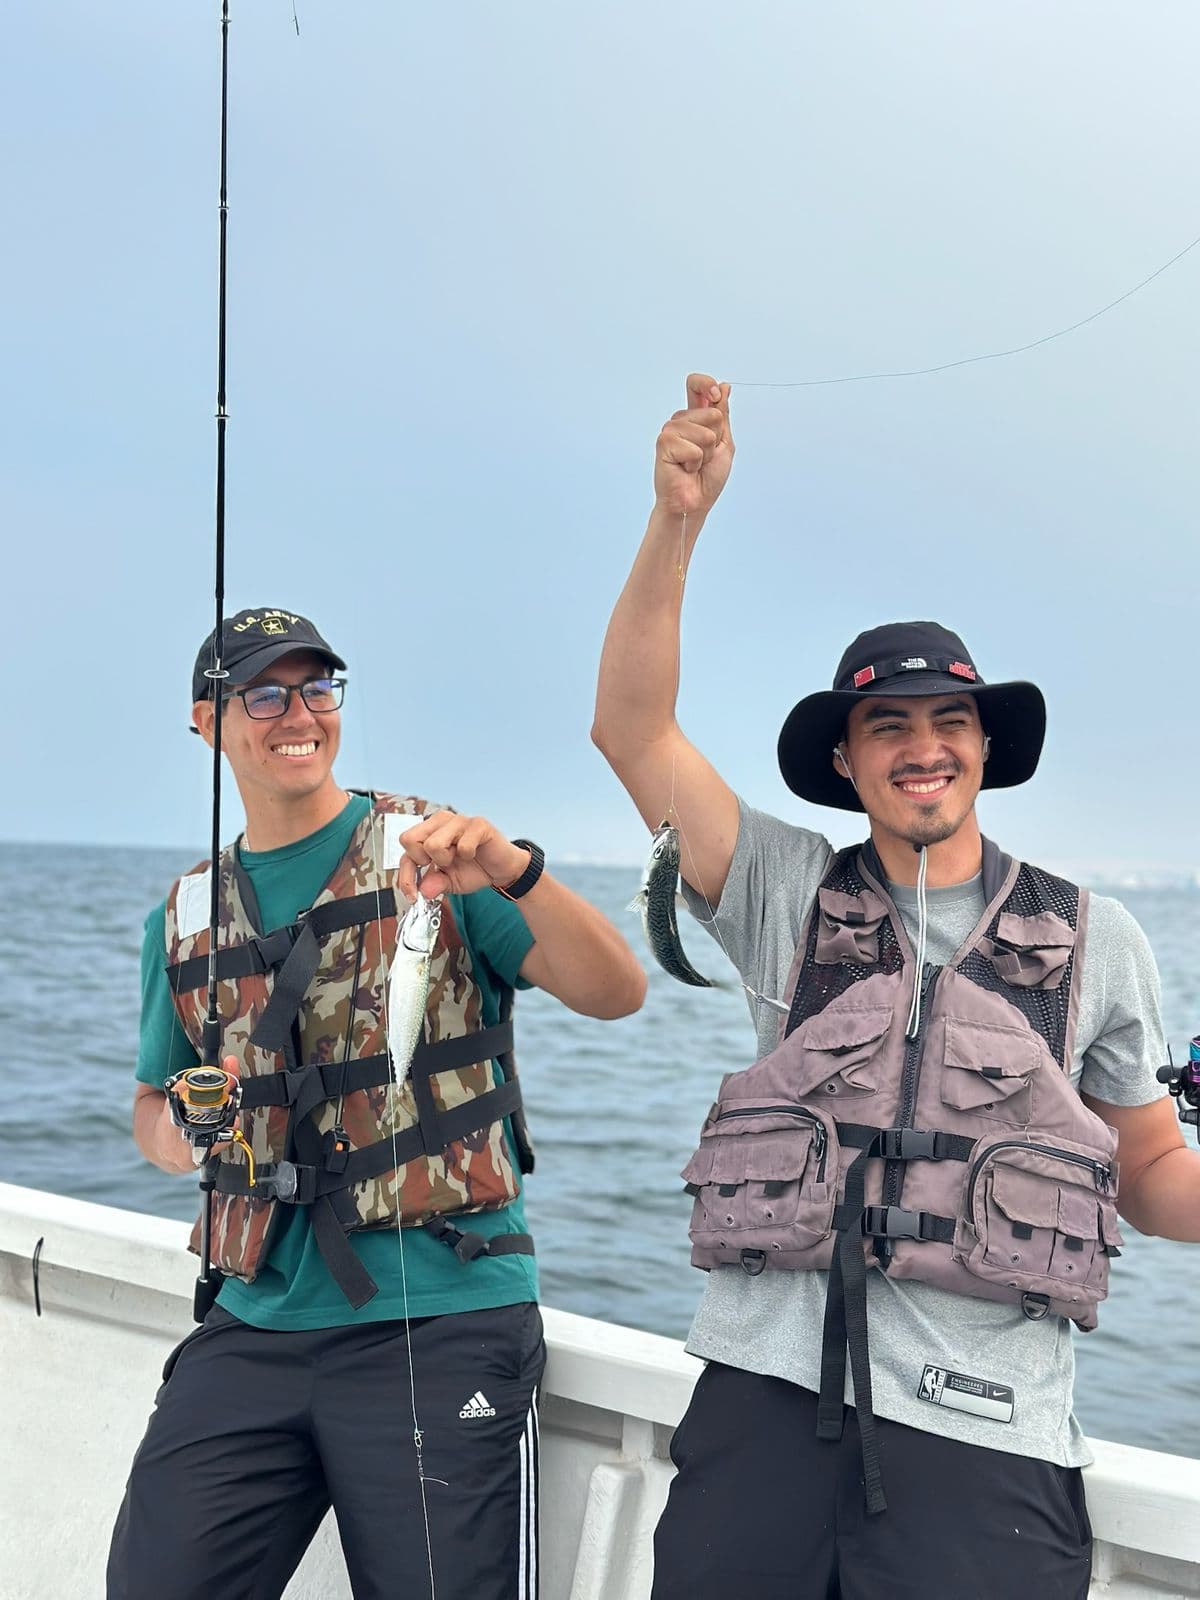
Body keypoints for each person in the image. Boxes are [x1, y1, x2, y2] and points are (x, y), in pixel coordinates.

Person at [592, 376, 1200, 1600]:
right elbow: (630, 727)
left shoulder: (1100, 937)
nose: (925, 746)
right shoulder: (782, 892)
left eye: (949, 720)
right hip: (763, 1411)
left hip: (991, 1447)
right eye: (891, 727)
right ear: (846, 760)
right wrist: (677, 522)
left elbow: (1150, 1180)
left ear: (984, 746)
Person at [108, 605, 646, 1600]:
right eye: (263, 693)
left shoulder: (435, 856)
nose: (297, 712)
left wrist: (516, 872)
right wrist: (190, 1135)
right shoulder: (182, 917)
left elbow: (617, 989)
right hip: (252, 1324)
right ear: (207, 721)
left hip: (440, 1317)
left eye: (318, 687)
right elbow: (150, 1104)